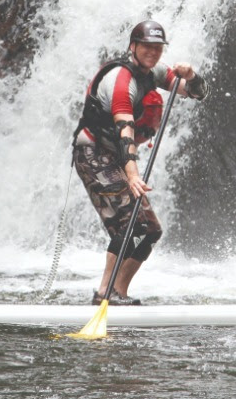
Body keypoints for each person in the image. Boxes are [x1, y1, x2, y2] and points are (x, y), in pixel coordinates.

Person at [72, 20, 208, 305]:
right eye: (146, 46)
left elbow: (197, 93)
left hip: (116, 155)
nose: (152, 52)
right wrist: (132, 175)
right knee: (128, 225)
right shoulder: (121, 81)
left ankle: (119, 292)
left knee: (150, 230)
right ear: (133, 46)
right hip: (93, 152)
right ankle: (103, 294)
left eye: (158, 48)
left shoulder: (154, 71)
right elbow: (125, 133)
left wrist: (192, 75)